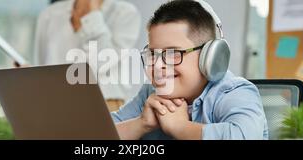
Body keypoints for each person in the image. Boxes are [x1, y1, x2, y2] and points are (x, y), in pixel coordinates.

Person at [111, 0, 268, 140]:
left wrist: (181, 128)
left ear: (210, 56)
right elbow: (94, 133)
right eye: (152, 54)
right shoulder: (151, 92)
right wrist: (141, 124)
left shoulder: (234, 92)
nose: (158, 65)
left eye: (173, 53)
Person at [32, 0, 141, 107]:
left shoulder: (125, 13)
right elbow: (42, 67)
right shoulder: (49, 14)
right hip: (56, 104)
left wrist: (93, 14)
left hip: (104, 105)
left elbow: (101, 62)